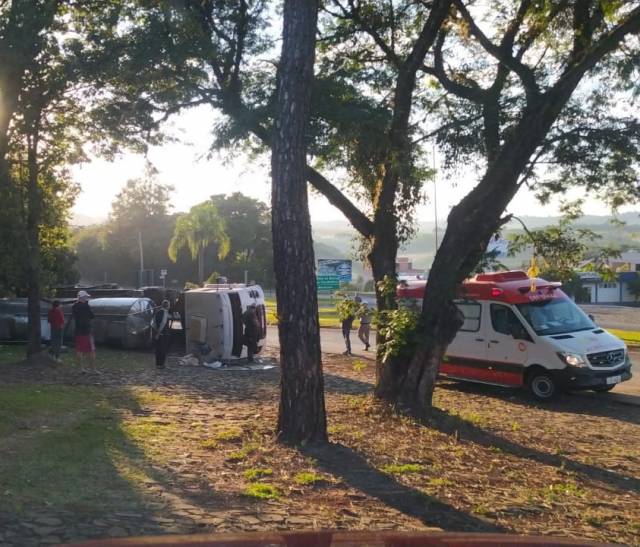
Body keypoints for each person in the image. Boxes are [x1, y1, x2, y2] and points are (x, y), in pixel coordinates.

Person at [71, 290, 95, 370]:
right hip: (87, 330)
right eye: (85, 297)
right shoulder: (86, 306)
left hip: (78, 330)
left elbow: (75, 317)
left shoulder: (74, 306)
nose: (86, 298)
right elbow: (92, 316)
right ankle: (92, 367)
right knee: (91, 350)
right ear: (82, 297)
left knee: (79, 350)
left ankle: (81, 368)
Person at [152, 299, 172, 369]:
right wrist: (158, 333)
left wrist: (156, 331)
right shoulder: (164, 313)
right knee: (162, 349)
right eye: (169, 305)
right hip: (163, 333)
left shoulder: (158, 312)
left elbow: (153, 323)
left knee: (158, 349)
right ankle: (161, 364)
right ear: (167, 306)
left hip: (159, 333)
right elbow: (163, 323)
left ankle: (158, 364)